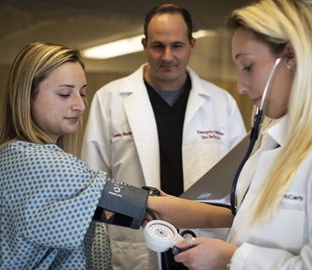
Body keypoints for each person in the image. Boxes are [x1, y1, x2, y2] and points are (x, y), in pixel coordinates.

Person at [145, 0, 312, 269]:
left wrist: (232, 258)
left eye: (248, 67)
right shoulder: (276, 137)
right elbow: (243, 216)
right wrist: (165, 207)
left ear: (290, 57)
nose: (241, 86)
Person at [81, 3, 246, 270]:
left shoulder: (221, 103)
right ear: (145, 44)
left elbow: (239, 182)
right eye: (158, 46)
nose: (167, 56)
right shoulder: (109, 100)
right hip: (135, 242)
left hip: (206, 240)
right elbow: (93, 181)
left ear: (193, 44)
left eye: (177, 46)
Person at [0, 42, 149, 269]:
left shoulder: (10, 157)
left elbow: (117, 211)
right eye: (65, 93)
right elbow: (144, 207)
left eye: (82, 93)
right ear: (27, 96)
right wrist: (211, 216)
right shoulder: (36, 161)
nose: (80, 105)